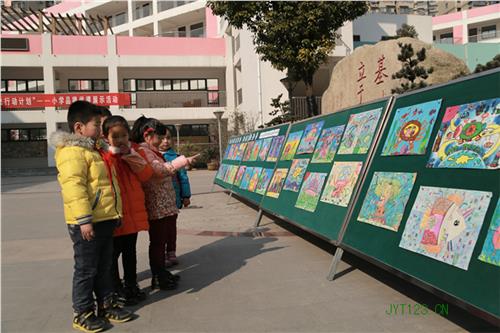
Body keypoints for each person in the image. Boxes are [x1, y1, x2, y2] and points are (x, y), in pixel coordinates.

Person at [49, 101, 133, 333]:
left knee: (104, 265)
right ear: (79, 127)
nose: (100, 128)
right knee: (86, 269)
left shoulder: (95, 150)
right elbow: (74, 188)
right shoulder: (72, 152)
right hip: (86, 223)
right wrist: (84, 220)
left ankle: (106, 305)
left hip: (105, 218)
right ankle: (82, 312)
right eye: (97, 124)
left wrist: (116, 214)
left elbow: (109, 185)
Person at [130, 116, 197, 290]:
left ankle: (161, 273)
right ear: (148, 136)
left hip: (163, 204)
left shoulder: (150, 150)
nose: (161, 141)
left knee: (162, 240)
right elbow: (158, 171)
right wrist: (184, 161)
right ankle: (158, 275)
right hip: (157, 204)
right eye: (159, 137)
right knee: (158, 242)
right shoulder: (143, 151)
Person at [100, 115, 151, 305]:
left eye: (124, 135)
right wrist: (113, 154)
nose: (121, 140)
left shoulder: (135, 150)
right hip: (114, 213)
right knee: (112, 255)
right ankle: (115, 288)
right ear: (106, 137)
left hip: (133, 213)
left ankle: (131, 285)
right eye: (116, 136)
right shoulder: (103, 154)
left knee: (130, 253)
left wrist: (130, 155)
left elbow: (146, 175)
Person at [159, 129, 192, 267]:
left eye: (168, 138)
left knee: (171, 228)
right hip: (158, 200)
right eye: (162, 138)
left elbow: (183, 178)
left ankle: (171, 252)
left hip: (173, 199)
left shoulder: (177, 156)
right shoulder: (151, 155)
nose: (165, 141)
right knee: (160, 230)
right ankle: (161, 254)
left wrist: (185, 195)